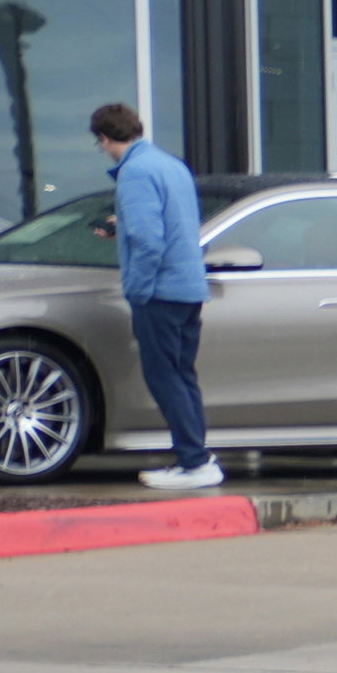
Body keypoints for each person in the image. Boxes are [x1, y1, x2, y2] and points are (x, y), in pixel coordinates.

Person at [97, 102, 218, 491]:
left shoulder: (134, 172)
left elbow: (149, 241)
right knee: (182, 375)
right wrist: (125, 223)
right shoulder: (171, 165)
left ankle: (193, 462)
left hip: (160, 292)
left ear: (103, 138)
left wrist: (138, 288)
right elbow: (174, 222)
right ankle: (197, 458)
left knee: (164, 376)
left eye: (99, 143)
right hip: (188, 288)